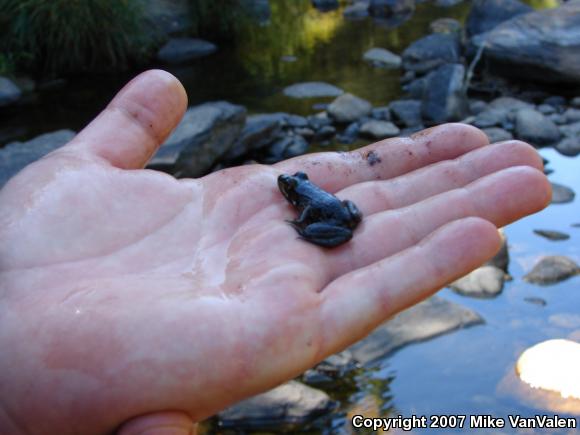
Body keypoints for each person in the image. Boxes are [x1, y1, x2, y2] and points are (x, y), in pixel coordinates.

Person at [0, 70, 551, 435]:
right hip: (339, 211)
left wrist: (308, 224)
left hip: (332, 218)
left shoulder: (299, 198)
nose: (287, 189)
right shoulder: (300, 190)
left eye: (289, 187)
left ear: (292, 188)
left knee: (334, 221)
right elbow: (328, 204)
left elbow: (319, 210)